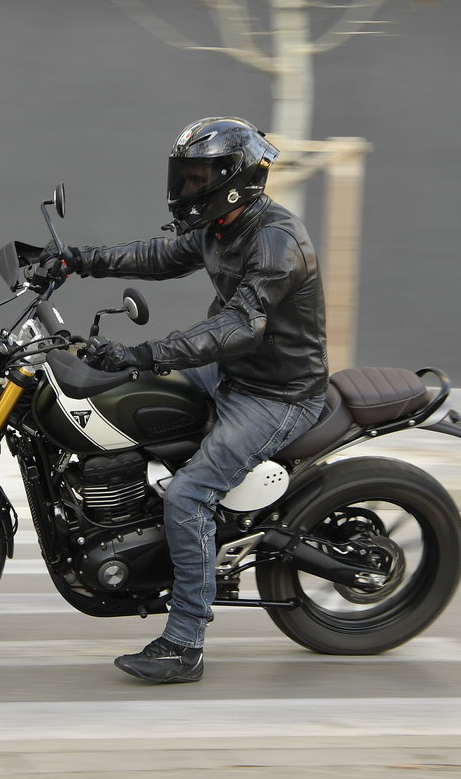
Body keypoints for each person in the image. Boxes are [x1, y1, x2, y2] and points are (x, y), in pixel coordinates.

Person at [43, 116, 330, 683]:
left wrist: (143, 353)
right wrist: (78, 260)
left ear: (235, 179)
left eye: (199, 177)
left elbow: (239, 328)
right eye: (185, 175)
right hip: (229, 372)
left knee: (190, 496)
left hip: (275, 393)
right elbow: (158, 256)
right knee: (126, 405)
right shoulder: (223, 225)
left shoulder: (276, 241)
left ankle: (184, 642)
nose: (186, 189)